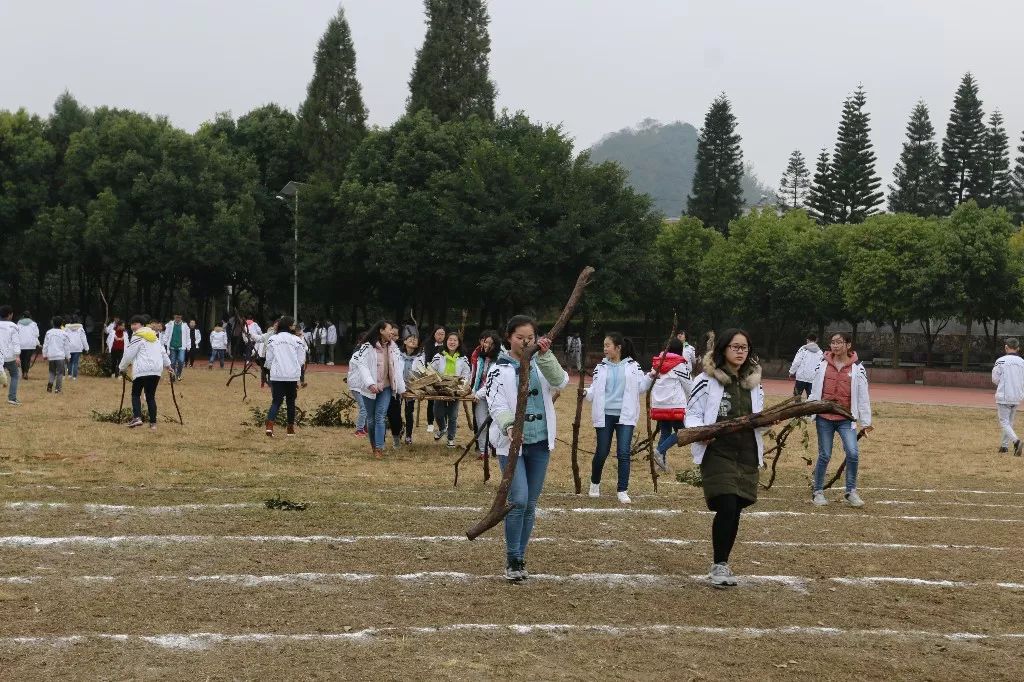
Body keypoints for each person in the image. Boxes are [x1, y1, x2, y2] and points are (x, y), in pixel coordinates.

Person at [484, 315, 569, 582]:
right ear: (509, 337)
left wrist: (545, 355)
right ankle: (511, 557)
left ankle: (521, 555)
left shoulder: (540, 363)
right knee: (518, 500)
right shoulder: (498, 369)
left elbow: (561, 382)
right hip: (511, 445)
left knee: (530, 503)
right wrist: (509, 425)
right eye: (520, 337)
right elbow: (495, 402)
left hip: (540, 441)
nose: (525, 342)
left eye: (529, 338)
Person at [685, 329, 765, 588]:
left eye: (744, 347)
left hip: (747, 452)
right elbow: (693, 413)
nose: (740, 352)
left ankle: (723, 561)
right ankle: (719, 564)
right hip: (718, 451)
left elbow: (759, 417)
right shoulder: (706, 379)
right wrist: (702, 433)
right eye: (735, 347)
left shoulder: (754, 381)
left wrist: (768, 423)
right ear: (723, 349)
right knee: (727, 504)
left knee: (737, 507)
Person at [584, 332, 652, 504]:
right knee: (602, 452)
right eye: (604, 345)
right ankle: (594, 483)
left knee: (623, 453)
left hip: (625, 416)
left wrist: (651, 376)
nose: (605, 349)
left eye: (608, 345)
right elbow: (594, 389)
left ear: (618, 348)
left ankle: (622, 490)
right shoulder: (601, 367)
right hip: (605, 415)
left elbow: (641, 387)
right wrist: (585, 393)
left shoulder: (633, 366)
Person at [809, 332, 874, 508]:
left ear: (848, 345)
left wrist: (866, 422)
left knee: (853, 453)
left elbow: (863, 395)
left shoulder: (858, 368)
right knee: (825, 454)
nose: (835, 346)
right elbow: (815, 390)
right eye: (832, 342)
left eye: (839, 342)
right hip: (824, 418)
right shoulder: (822, 364)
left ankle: (851, 491)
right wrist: (809, 409)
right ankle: (817, 492)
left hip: (846, 419)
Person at [348, 320, 406, 458]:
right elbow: (362, 366)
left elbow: (397, 369)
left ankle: (379, 448)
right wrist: (369, 383)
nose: (392, 332)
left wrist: (401, 389)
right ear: (381, 331)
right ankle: (374, 446)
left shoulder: (394, 347)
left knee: (380, 416)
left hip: (386, 388)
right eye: (390, 329)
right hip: (370, 388)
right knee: (371, 419)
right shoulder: (367, 347)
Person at [119, 315, 172, 430]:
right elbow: (163, 352)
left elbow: (129, 354)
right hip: (156, 371)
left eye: (135, 324)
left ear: (142, 325)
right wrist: (168, 365)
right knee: (150, 396)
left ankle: (137, 418)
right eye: (132, 324)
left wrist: (122, 368)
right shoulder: (154, 336)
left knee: (135, 394)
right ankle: (153, 424)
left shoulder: (137, 336)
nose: (133, 326)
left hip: (142, 370)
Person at [651, 337, 694, 472]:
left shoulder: (657, 363)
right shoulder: (680, 365)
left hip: (659, 404)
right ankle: (659, 451)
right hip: (674, 405)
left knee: (665, 432)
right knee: (683, 431)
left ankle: (661, 464)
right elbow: (689, 386)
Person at [263, 316, 306, 437]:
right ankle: (290, 428)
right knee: (291, 402)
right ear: (289, 326)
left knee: (276, 401)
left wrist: (275, 367)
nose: (294, 326)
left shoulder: (273, 339)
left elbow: (269, 358)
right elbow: (301, 359)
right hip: (292, 376)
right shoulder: (297, 340)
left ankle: (270, 426)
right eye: (293, 324)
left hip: (277, 375)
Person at [430, 331, 472, 447]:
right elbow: (432, 371)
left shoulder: (463, 358)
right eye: (450, 339)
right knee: (438, 413)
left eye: (455, 340)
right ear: (446, 341)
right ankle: (443, 428)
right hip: (440, 389)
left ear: (459, 343)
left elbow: (466, 374)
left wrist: (462, 386)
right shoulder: (439, 356)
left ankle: (451, 438)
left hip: (456, 390)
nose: (452, 342)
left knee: (453, 416)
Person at [470, 330, 502, 458]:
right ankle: (484, 451)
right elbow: (474, 376)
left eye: (490, 343)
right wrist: (472, 391)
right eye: (486, 342)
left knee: (497, 424)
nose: (486, 345)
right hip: (480, 396)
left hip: (495, 396)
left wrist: (478, 394)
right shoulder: (480, 358)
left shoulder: (500, 359)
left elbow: (492, 382)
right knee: (481, 423)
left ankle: (497, 448)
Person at [992, 337, 1024, 456]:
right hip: (1017, 396)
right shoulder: (1022, 362)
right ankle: (1004, 446)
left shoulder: (1001, 361)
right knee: (1009, 422)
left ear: (1006, 347)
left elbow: (995, 379)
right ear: (1018, 348)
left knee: (1004, 421)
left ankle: (1016, 441)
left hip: (1004, 395)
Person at [423, 326, 447, 434]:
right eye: (438, 333)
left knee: (445, 400)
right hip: (431, 374)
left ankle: (444, 424)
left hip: (445, 376)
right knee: (431, 400)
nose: (440, 336)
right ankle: (430, 423)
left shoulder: (448, 345)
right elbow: (427, 360)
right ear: (434, 334)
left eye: (442, 334)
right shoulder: (429, 345)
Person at [788, 333, 823, 398]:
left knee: (797, 396)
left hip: (801, 377)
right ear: (816, 341)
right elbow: (821, 366)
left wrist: (791, 372)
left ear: (807, 340)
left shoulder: (803, 349)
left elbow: (797, 361)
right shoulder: (820, 352)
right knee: (811, 398)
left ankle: (797, 407)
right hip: (813, 379)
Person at [42, 317, 70, 394]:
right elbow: (66, 346)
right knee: (60, 373)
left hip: (51, 356)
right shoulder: (64, 333)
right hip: (60, 356)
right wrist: (68, 356)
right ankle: (57, 389)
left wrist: (44, 354)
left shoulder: (49, 332)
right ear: (61, 324)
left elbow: (45, 345)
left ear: (52, 323)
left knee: (52, 372)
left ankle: (50, 386)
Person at [0, 306, 21, 405]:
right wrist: (17, 356)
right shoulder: (13, 326)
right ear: (9, 314)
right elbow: (16, 342)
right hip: (10, 357)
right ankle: (12, 398)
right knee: (15, 375)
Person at [161, 314, 191, 380]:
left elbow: (188, 336)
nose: (178, 318)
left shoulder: (185, 325)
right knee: (172, 362)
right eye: (176, 317)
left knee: (181, 361)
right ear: (174, 317)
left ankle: (178, 374)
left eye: (179, 317)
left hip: (182, 346)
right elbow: (165, 332)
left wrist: (188, 346)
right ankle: (172, 376)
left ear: (181, 317)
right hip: (172, 346)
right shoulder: (169, 324)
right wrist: (164, 343)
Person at [17, 311, 40, 380]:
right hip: (30, 344)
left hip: (21, 344)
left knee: (22, 359)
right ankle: (26, 373)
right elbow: (37, 334)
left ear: (23, 316)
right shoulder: (33, 324)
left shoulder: (18, 323)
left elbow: (16, 333)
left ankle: (23, 372)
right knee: (27, 359)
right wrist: (37, 343)